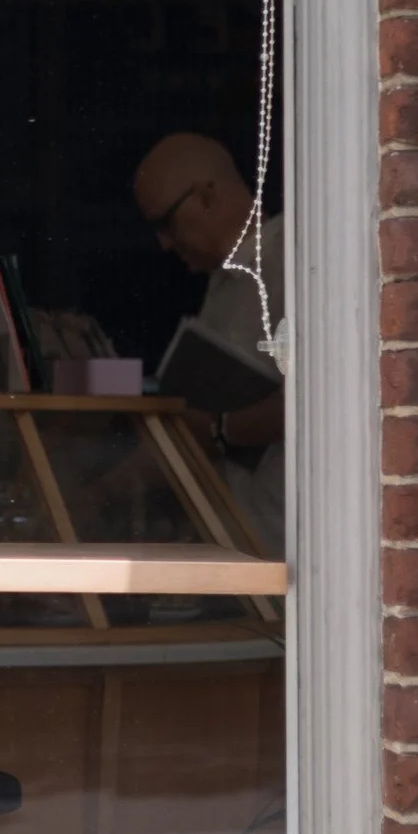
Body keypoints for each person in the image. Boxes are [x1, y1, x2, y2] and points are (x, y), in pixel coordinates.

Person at [131, 132, 286, 554]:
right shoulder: (224, 285)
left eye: (166, 222)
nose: (164, 243)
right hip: (246, 547)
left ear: (206, 196)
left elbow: (321, 403)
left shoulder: (291, 263)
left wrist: (221, 429)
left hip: (295, 553)